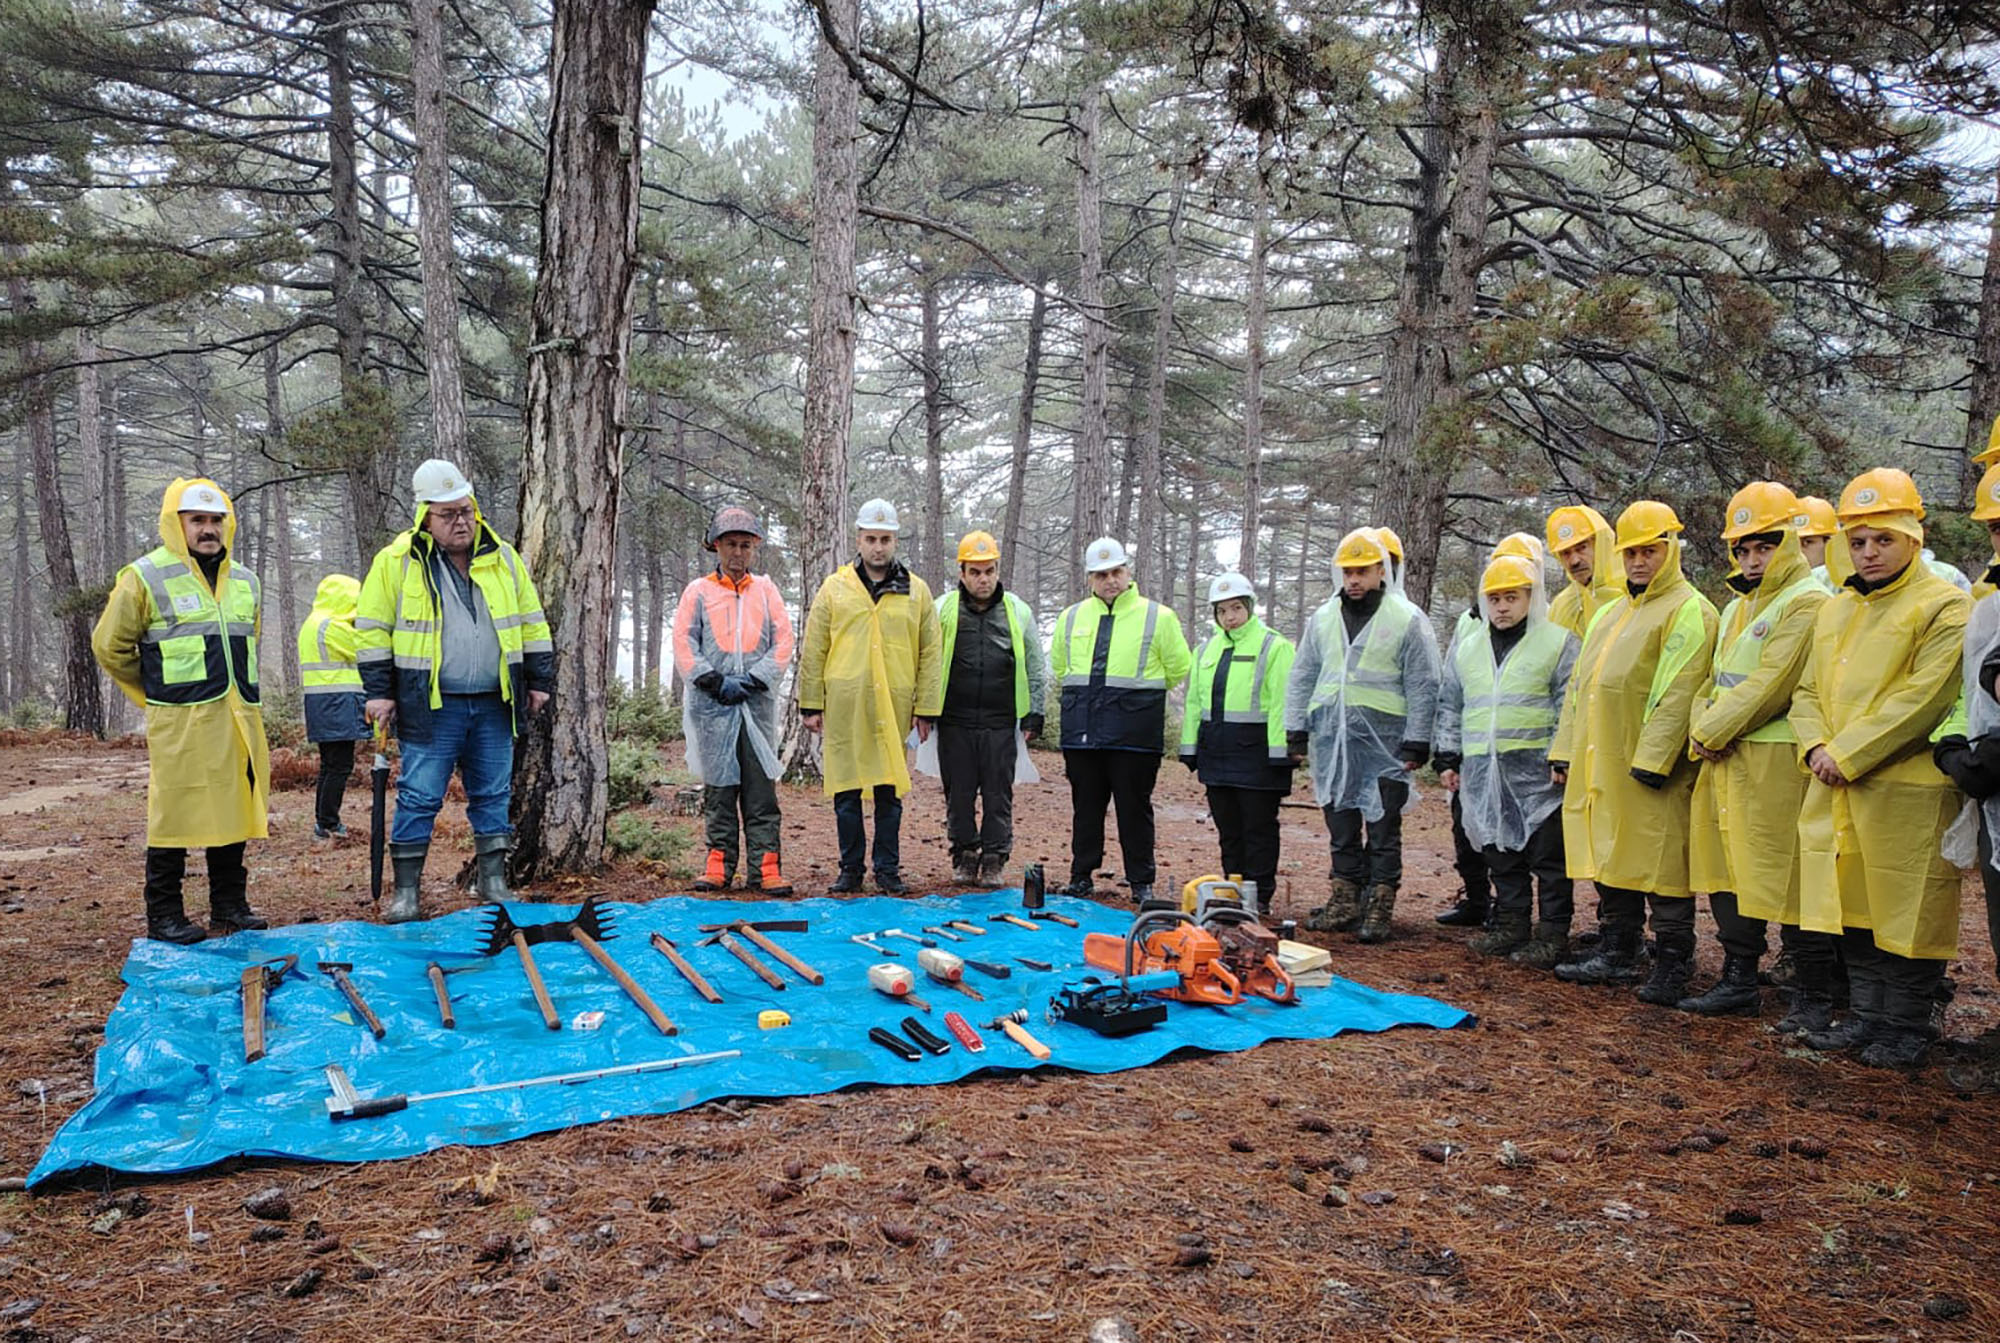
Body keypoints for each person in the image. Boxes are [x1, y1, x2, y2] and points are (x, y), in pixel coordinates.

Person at [1793, 469, 1968, 1068]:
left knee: (1908, 911)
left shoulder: (1945, 605)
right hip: (1835, 785)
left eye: (1883, 539)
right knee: (1855, 909)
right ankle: (1866, 1017)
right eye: (1858, 540)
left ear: (1913, 539)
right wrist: (1815, 745)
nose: (1868, 552)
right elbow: (1807, 691)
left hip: (1906, 790)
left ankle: (1907, 1025)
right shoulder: (1836, 610)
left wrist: (1847, 754)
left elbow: (1927, 697)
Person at [356, 460, 554, 923]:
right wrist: (379, 693)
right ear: (424, 516)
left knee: (492, 794)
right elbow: (371, 630)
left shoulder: (503, 557)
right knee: (420, 795)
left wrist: (539, 680)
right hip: (431, 704)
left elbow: (531, 621)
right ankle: (406, 893)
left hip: (493, 701)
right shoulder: (397, 562)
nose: (461, 521)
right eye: (448, 515)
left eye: (466, 511)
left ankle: (493, 882)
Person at [1550, 500, 1718, 999]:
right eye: (1631, 553)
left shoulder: (1691, 609)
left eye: (1650, 551)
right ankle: (1618, 946)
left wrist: (1653, 759)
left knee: (1663, 861)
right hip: (1602, 757)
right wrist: (1565, 750)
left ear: (1671, 549)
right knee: (1609, 852)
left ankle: (1673, 958)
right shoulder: (1610, 612)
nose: (1640, 562)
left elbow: (1682, 688)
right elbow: (1580, 688)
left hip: (1651, 766)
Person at [1678, 483, 1832, 1022]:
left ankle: (1812, 993)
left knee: (1783, 875)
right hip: (1724, 761)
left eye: (1763, 545)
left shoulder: (1808, 601)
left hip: (1773, 763)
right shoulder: (1738, 605)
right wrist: (1702, 727)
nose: (1751, 558)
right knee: (1725, 871)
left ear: (1790, 540)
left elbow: (1776, 682)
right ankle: (1738, 978)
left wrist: (1709, 732)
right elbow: (1712, 681)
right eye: (1741, 548)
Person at [91, 478, 269, 943]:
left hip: (237, 719)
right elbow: (110, 647)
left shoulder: (246, 582)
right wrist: (152, 692)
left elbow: (249, 643)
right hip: (180, 720)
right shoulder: (144, 577)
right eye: (198, 521)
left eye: (216, 520)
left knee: (232, 808)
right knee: (173, 814)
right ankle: (165, 915)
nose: (209, 529)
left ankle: (229, 905)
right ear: (177, 524)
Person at [1286, 527, 1440, 942]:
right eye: (1347, 571)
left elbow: (1423, 683)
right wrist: (1296, 730)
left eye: (1363, 571)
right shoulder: (1322, 618)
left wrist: (1417, 740)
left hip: (1387, 744)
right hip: (1332, 741)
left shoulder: (1406, 619)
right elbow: (1303, 675)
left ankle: (1379, 902)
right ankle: (1345, 897)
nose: (1354, 580)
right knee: (1340, 821)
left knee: (1384, 825)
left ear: (1382, 571)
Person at [1433, 552, 1578, 965]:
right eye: (1493, 598)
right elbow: (1451, 704)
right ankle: (1511, 924)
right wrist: (1447, 756)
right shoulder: (1468, 647)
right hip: (1483, 769)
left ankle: (1552, 934)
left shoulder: (1558, 642)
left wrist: (1562, 754)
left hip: (1540, 773)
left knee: (1548, 858)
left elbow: (1570, 701)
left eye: (1511, 597)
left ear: (1531, 598)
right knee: (1498, 849)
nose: (1501, 606)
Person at [798, 498, 942, 893]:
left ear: (895, 541)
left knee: (888, 791)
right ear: (858, 540)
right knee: (846, 791)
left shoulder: (916, 592)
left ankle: (887, 870)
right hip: (846, 705)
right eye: (871, 538)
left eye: (885, 539)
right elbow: (814, 648)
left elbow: (931, 651)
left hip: (893, 707)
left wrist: (926, 708)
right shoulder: (835, 588)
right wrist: (811, 703)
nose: (878, 547)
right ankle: (850, 869)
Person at [1050, 536, 1192, 905]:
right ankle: (1081, 875)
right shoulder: (1071, 617)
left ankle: (1141, 880)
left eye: (1116, 571)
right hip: (1083, 731)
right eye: (1101, 574)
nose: (1110, 580)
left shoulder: (1157, 616)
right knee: (1086, 807)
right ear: (1089, 579)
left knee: (1134, 809)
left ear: (1128, 572)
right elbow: (1062, 667)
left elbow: (1178, 667)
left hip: (1134, 734)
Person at [672, 505, 795, 894]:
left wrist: (755, 680)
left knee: (761, 791)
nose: (738, 553)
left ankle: (766, 867)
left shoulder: (767, 591)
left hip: (755, 709)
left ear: (754, 548)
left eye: (745, 545)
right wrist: (712, 680)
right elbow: (684, 640)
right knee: (720, 790)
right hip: (714, 708)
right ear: (716, 547)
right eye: (730, 545)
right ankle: (718, 865)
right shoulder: (699, 592)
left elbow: (783, 642)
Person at [1436, 532, 1544, 930]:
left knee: (1528, 840)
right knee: (1469, 831)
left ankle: (1515, 913)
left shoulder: (1548, 625)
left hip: (1527, 757)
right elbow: (1454, 688)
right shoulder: (1470, 623)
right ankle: (1478, 898)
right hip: (1476, 750)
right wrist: (1448, 752)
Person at [934, 530, 1047, 886]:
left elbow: (1034, 661)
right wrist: (922, 709)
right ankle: (965, 855)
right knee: (959, 793)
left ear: (998, 570)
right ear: (962, 573)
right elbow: (927, 660)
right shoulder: (943, 609)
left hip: (1001, 720)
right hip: (954, 719)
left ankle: (995, 858)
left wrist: (1035, 711)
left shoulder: (1018, 610)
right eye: (975, 572)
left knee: (999, 792)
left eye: (989, 570)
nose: (983, 579)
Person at [1180, 573, 1296, 914]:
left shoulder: (1274, 646)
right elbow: (1193, 703)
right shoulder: (1205, 650)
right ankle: (1233, 889)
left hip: (1259, 755)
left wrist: (1281, 752)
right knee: (1228, 829)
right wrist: (1190, 747)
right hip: (1217, 752)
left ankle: (1259, 896)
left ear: (1249, 608)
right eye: (1222, 610)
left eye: (1236, 608)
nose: (1230, 617)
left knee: (1258, 828)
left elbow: (1281, 703)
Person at [298, 573, 369, 840]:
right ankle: (327, 823)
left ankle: (325, 821)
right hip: (335, 703)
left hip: (325, 703)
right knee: (339, 765)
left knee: (331, 765)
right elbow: (363, 649)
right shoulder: (330, 625)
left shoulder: (316, 622)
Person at [1545, 505, 1620, 640]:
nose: (1574, 561)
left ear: (1598, 545)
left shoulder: (1630, 592)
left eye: (1581, 548)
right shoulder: (1561, 607)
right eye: (1565, 553)